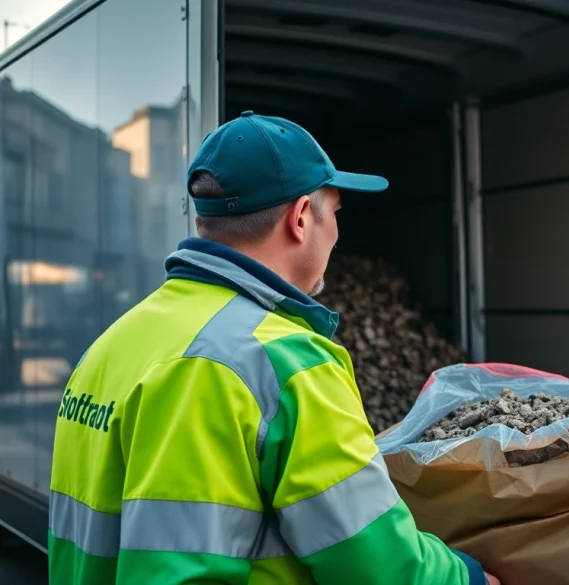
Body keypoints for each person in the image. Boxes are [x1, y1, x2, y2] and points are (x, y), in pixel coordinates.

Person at [48, 110, 499, 585]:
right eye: (336, 214)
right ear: (302, 217)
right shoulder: (285, 362)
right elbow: (379, 564)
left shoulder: (109, 348)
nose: (337, 235)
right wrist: (467, 578)